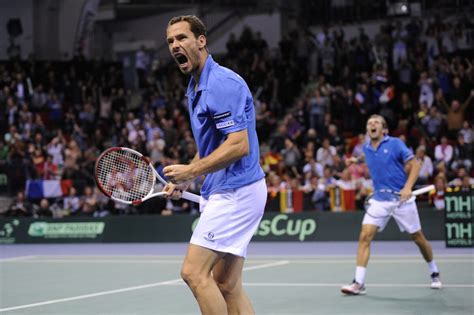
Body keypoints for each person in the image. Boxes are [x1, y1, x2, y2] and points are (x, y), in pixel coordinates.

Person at [162, 15, 266, 315]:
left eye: (181, 38)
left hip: (236, 191)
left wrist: (191, 171)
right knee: (227, 285)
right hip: (232, 189)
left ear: (201, 40)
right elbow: (213, 148)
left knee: (194, 273)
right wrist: (185, 179)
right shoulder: (196, 88)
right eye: (170, 41)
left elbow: (238, 144)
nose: (175, 45)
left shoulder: (221, 84)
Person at [341, 115, 441, 295]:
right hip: (379, 200)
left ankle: (434, 271)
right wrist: (356, 160)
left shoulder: (395, 144)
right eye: (369, 123)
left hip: (401, 201)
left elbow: (415, 165)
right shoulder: (366, 147)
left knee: (418, 238)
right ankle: (358, 282)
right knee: (365, 236)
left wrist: (407, 188)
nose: (372, 125)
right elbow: (368, 155)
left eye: (376, 123)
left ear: (384, 129)